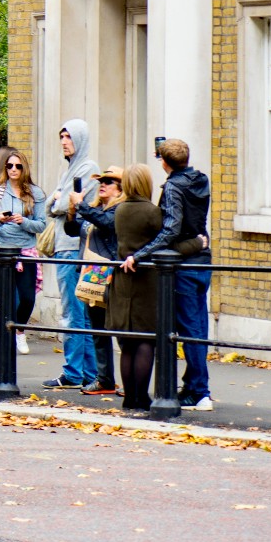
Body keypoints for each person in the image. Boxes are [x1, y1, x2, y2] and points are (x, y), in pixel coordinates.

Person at [126, 137, 213, 410]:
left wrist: (140, 254)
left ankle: (199, 391)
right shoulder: (201, 179)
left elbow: (171, 228)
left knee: (189, 330)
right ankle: (194, 386)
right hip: (202, 260)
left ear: (163, 162)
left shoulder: (174, 186)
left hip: (183, 265)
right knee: (198, 326)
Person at [76, 165, 164, 413]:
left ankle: (129, 398)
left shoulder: (121, 210)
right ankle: (142, 398)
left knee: (126, 342)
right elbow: (165, 238)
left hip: (121, 279)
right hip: (145, 279)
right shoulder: (153, 212)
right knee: (145, 340)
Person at [42, 119, 102, 392]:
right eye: (61, 136)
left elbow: (60, 205)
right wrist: (56, 201)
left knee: (73, 313)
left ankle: (73, 372)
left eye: (69, 137)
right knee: (80, 314)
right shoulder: (70, 171)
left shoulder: (88, 169)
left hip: (72, 247)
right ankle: (89, 373)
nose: (64, 141)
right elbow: (51, 204)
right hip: (65, 245)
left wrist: (57, 200)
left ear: (80, 139)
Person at [0, 146, 45, 359]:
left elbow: (41, 225)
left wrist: (24, 221)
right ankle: (8, 334)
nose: (13, 169)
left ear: (24, 169)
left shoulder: (35, 193)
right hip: (2, 249)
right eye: (9, 165)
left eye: (18, 166)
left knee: (28, 298)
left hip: (26, 249)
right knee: (6, 298)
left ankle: (20, 329)